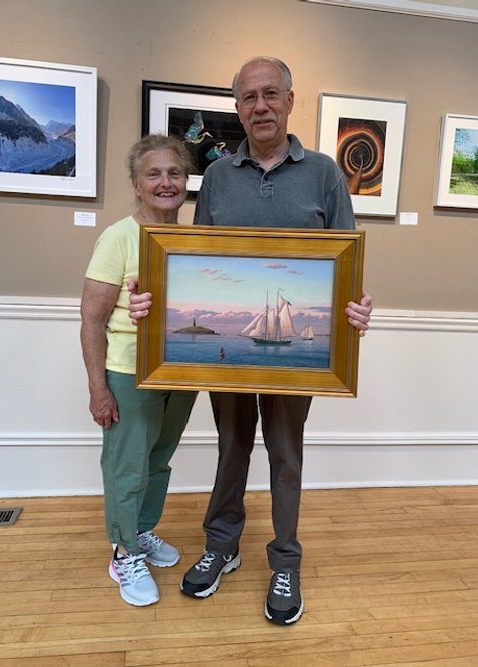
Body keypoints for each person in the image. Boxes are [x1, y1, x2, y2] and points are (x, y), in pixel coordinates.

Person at [129, 57, 373, 625]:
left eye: (270, 95)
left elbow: (346, 264)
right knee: (231, 447)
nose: (259, 106)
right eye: (248, 98)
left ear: (291, 100)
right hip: (231, 362)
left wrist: (356, 307)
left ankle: (286, 560)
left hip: (300, 368)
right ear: (237, 108)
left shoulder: (324, 174)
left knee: (286, 457)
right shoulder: (216, 177)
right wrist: (153, 301)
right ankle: (222, 545)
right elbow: (195, 261)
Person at [80, 134, 197, 607]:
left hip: (180, 373)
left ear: (187, 182)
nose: (165, 182)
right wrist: (97, 389)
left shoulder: (192, 240)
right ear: (136, 184)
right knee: (127, 468)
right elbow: (91, 317)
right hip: (129, 374)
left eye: (174, 173)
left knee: (158, 461)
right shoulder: (119, 237)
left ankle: (142, 530)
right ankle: (123, 551)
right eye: (154, 174)